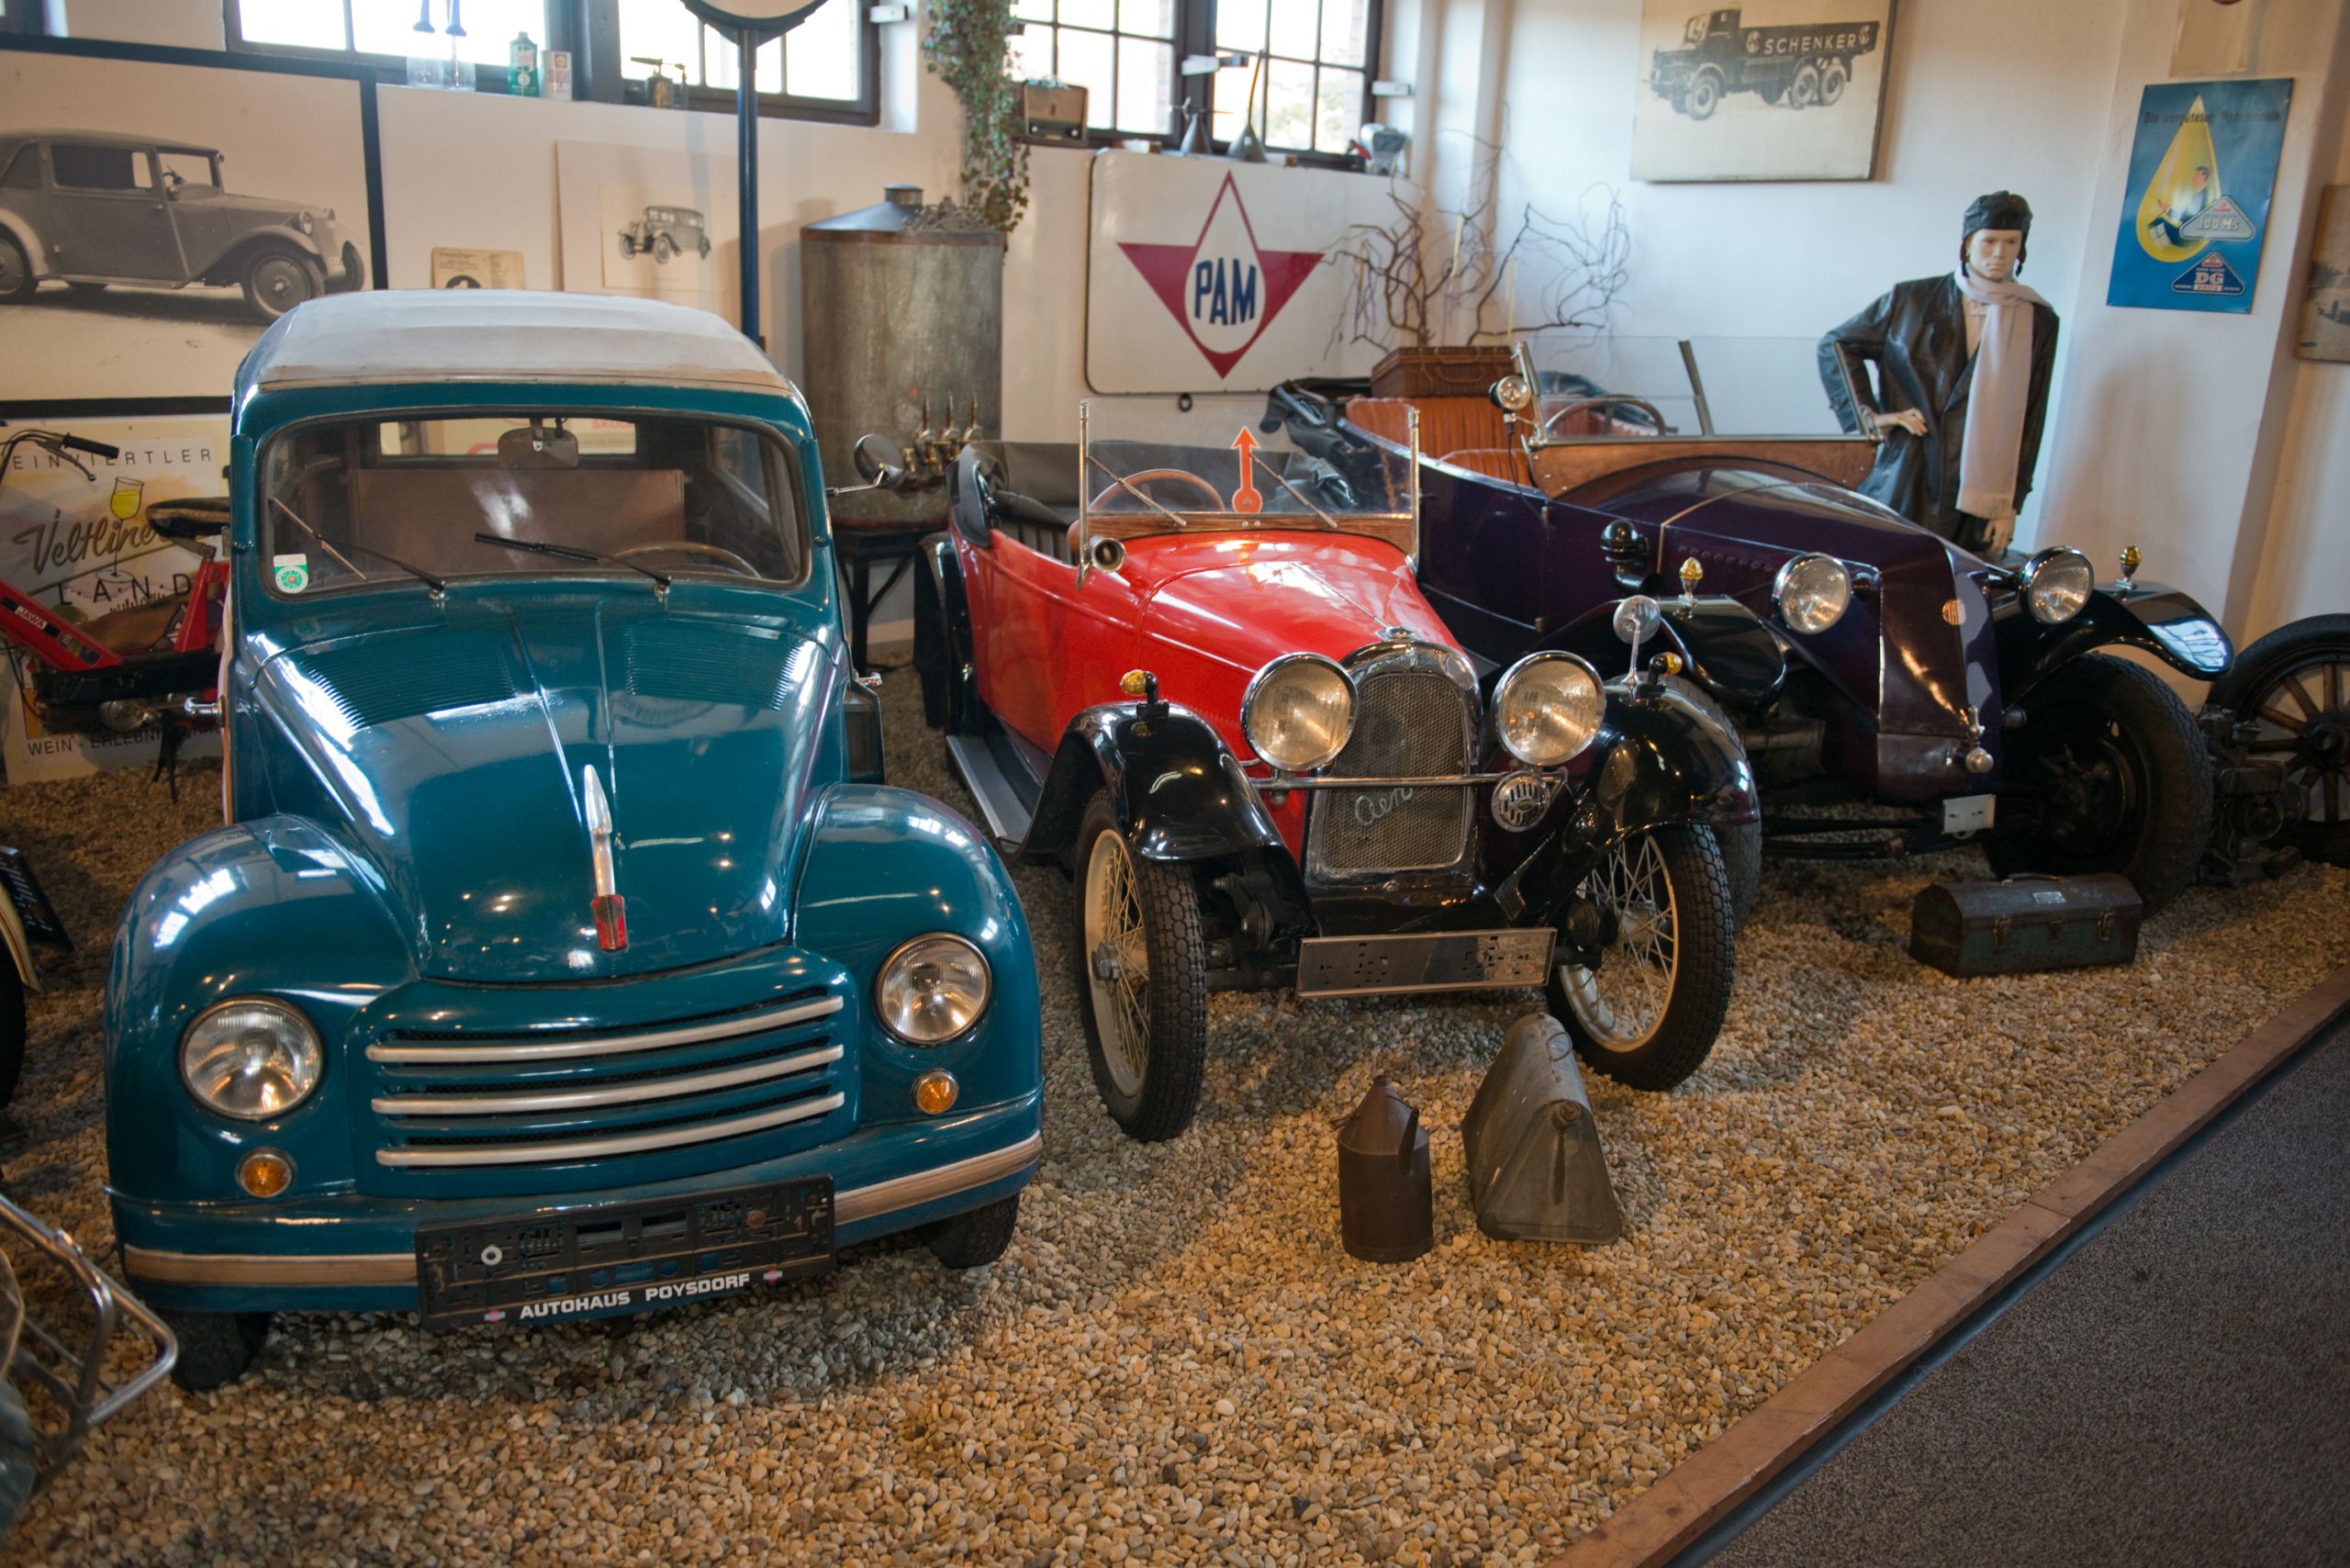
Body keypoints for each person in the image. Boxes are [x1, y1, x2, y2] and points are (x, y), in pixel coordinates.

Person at [1818, 191, 2059, 556]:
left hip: (1978, 496)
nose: (1999, 253)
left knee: (1961, 582)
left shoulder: (2037, 319)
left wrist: (2010, 506)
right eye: (1989, 241)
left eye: (2011, 242)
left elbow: (2032, 417)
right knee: (1889, 570)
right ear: (1967, 244)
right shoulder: (1912, 300)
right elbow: (1836, 344)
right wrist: (1869, 415)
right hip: (1909, 476)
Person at [2146, 164, 2211, 248]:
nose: (2193, 178)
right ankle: (2159, 248)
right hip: (2186, 235)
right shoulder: (2202, 194)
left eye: (2196, 175)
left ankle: (2156, 248)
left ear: (2202, 176)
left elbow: (2186, 218)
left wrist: (2168, 210)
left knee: (2157, 223)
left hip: (2184, 237)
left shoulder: (2201, 196)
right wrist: (2168, 209)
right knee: (2158, 226)